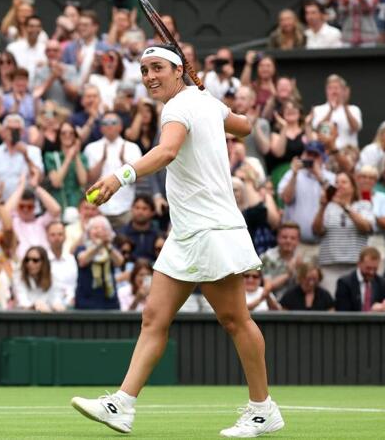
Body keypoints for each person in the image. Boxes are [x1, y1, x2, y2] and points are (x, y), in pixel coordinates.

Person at [72, 44, 284, 437]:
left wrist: (120, 177)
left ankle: (262, 409)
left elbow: (168, 150)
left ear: (177, 71)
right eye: (144, 70)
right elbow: (245, 126)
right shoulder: (202, 101)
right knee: (154, 318)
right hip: (185, 233)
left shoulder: (178, 108)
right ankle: (122, 403)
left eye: (157, 68)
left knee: (235, 319)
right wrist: (212, 102)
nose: (150, 76)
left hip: (211, 228)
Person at [313, 172, 374, 295]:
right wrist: (322, 207)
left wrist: (345, 206)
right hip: (329, 266)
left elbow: (366, 227)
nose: (339, 185)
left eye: (344, 182)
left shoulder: (363, 205)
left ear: (353, 187)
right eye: (336, 182)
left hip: (355, 266)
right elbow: (317, 230)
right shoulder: (328, 207)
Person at [84, 111, 143, 229]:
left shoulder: (132, 147)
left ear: (120, 126)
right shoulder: (91, 148)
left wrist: (123, 161)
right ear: (101, 128)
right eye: (105, 123)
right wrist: (102, 160)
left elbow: (140, 179)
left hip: (126, 208)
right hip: (99, 209)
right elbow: (88, 180)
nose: (109, 125)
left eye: (113, 122)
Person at [279, 142, 335, 260]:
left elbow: (334, 198)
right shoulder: (291, 174)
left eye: (315, 155)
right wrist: (294, 174)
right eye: (309, 154)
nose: (311, 158)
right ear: (303, 155)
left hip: (324, 245)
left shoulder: (330, 177)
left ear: (322, 158)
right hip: (296, 245)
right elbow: (286, 199)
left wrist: (319, 175)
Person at [7, 173, 62, 260]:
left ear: (34, 207)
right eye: (22, 206)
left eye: (29, 207)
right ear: (17, 207)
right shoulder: (14, 221)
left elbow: (56, 210)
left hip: (45, 263)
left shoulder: (41, 222)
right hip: (23, 264)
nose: (25, 210)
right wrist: (20, 187)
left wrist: (36, 187)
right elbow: (6, 212)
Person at [74, 215, 123, 310]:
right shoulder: (82, 248)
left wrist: (107, 245)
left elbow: (119, 262)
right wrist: (99, 245)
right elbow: (82, 260)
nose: (99, 231)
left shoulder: (111, 249)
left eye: (103, 229)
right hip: (85, 302)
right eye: (95, 228)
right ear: (89, 232)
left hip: (110, 302)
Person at [44, 121, 89, 217]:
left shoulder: (82, 157)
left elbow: (83, 181)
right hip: (59, 204)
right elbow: (56, 182)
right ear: (59, 136)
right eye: (63, 133)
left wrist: (76, 155)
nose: (67, 135)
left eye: (71, 133)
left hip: (77, 204)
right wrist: (68, 158)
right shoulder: (50, 156)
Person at [310, 74, 361, 150]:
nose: (334, 91)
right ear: (326, 90)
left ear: (343, 90)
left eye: (337, 88)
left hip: (347, 154)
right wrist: (330, 110)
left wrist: (345, 107)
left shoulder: (354, 109)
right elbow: (317, 130)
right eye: (330, 88)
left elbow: (355, 128)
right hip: (325, 154)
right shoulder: (317, 109)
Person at [335, 247, 385, 312]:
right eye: (368, 268)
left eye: (375, 269)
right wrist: (371, 312)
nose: (371, 272)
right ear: (359, 263)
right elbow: (343, 314)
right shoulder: (345, 283)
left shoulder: (382, 283)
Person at [13, 246, 65, 312]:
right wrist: (35, 306)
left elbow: (56, 298)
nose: (30, 263)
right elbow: (22, 301)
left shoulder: (53, 278)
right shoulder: (18, 277)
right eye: (27, 260)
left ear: (44, 262)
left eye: (35, 260)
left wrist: (57, 305)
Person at [259, 222, 301, 299]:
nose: (288, 241)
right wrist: (289, 274)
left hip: (296, 304)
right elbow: (268, 286)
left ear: (298, 241)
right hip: (272, 302)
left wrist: (300, 271)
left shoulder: (302, 258)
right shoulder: (266, 257)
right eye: (284, 237)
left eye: (293, 238)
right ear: (277, 238)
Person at [118, 195, 161, 262]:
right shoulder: (122, 233)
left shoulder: (158, 235)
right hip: (129, 270)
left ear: (152, 212)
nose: (140, 212)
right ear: (131, 209)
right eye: (137, 208)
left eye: (145, 208)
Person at [45, 221, 78, 308]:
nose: (57, 238)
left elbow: (74, 284)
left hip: (71, 306)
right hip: (48, 307)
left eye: (60, 234)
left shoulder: (72, 259)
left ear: (65, 236)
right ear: (47, 237)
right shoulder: (42, 260)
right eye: (53, 234)